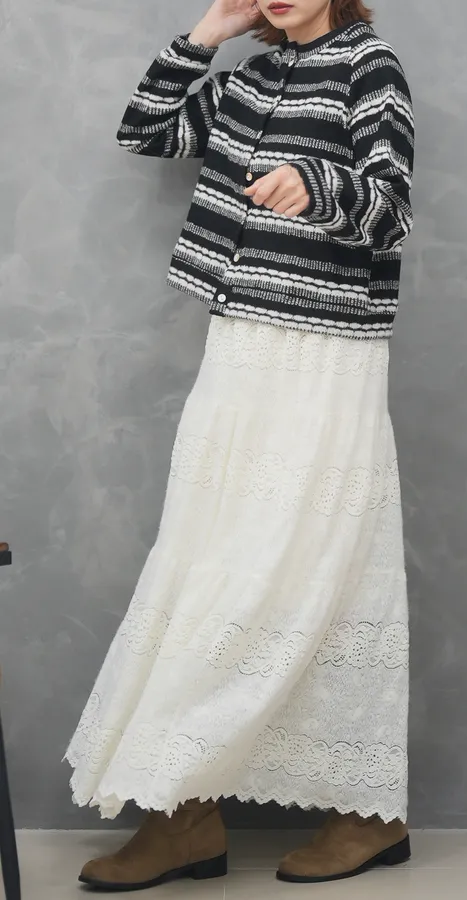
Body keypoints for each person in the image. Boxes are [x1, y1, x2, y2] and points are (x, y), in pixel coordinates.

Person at [64, 0, 415, 889]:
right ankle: (187, 816)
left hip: (326, 349)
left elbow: (390, 210)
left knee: (318, 559)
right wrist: (206, 36)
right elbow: (144, 131)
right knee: (212, 557)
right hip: (240, 342)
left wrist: (316, 184)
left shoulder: (368, 67)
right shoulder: (249, 79)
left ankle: (365, 813)